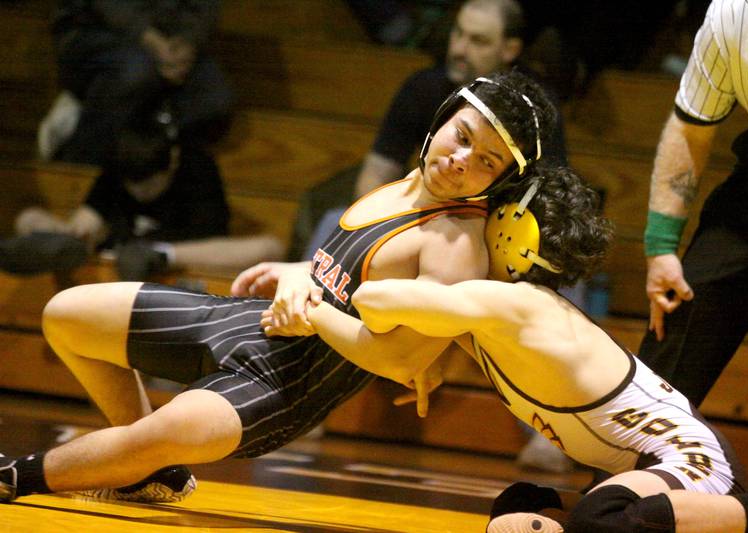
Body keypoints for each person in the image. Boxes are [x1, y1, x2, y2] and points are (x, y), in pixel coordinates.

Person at [0, 70, 556, 504]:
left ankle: (17, 476)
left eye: (486, 162)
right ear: (442, 118)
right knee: (66, 315)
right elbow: (348, 275)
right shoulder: (405, 184)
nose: (460, 162)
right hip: (247, 323)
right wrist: (296, 271)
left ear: (501, 179)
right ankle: (151, 473)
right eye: (461, 137)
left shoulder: (454, 242)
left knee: (157, 432)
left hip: (283, 386)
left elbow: (396, 360)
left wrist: (312, 310)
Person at [314, 171, 748, 533]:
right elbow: (396, 359)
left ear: (510, 230)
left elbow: (372, 300)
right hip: (645, 473)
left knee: (602, 519)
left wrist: (315, 311)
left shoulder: (519, 304)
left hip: (697, 468)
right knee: (521, 508)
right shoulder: (496, 311)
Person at [635, 0, 748, 471]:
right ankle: (620, 482)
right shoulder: (730, 15)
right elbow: (690, 130)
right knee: (686, 299)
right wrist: (661, 246)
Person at [287, 0, 567, 262]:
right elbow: (373, 178)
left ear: (510, 49)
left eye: (478, 41)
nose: (459, 49)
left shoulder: (533, 108)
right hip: (426, 209)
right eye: (458, 33)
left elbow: (549, 197)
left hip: (497, 227)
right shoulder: (423, 88)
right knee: (335, 221)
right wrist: (393, 222)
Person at [18, 115, 284, 280]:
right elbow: (90, 216)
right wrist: (76, 234)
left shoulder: (197, 169)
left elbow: (219, 243)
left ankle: (158, 255)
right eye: (132, 186)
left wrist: (162, 255)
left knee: (270, 248)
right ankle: (60, 246)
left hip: (174, 262)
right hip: (113, 258)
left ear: (172, 162)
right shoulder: (121, 161)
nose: (139, 193)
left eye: (149, 185)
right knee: (29, 218)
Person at [39, 0, 233, 164]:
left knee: (215, 99)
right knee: (136, 71)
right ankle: (78, 157)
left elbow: (205, 8)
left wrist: (188, 43)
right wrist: (151, 40)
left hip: (170, 42)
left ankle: (151, 161)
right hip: (94, 29)